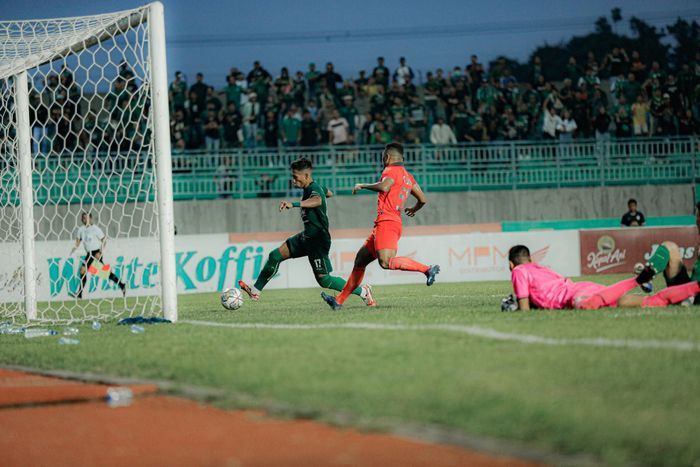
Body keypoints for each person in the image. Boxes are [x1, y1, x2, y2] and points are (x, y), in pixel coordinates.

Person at [239, 159, 375, 306]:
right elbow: (329, 193)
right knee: (275, 255)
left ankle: (363, 291)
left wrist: (294, 204)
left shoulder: (312, 188)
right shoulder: (314, 187)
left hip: (318, 239)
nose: (293, 180)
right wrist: (323, 192)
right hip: (306, 237)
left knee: (324, 280)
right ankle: (255, 291)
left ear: (306, 175)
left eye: (296, 177)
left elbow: (317, 200)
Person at [321, 143, 440, 310]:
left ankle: (427, 269)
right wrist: (413, 209)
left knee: (385, 262)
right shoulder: (407, 176)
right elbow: (423, 199)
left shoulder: (390, 171)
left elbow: (384, 186)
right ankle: (338, 301)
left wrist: (363, 185)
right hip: (389, 223)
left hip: (387, 222)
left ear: (387, 157)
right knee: (360, 260)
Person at [505, 245, 699, 311]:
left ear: (511, 264)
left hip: (578, 295)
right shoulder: (541, 268)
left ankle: (636, 281)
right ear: (530, 258)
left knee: (585, 306)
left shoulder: (519, 271)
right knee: (651, 301)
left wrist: (515, 308)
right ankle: (694, 289)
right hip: (584, 288)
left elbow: (524, 308)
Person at [69, 212, 126, 299]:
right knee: (103, 273)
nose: (85, 220)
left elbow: (104, 240)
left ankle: (79, 294)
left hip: (96, 253)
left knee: (84, 271)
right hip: (89, 253)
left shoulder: (95, 229)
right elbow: (77, 242)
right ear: (82, 219)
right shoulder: (81, 230)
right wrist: (73, 250)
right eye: (84, 218)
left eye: (87, 218)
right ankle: (122, 285)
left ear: (90, 219)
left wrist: (100, 252)